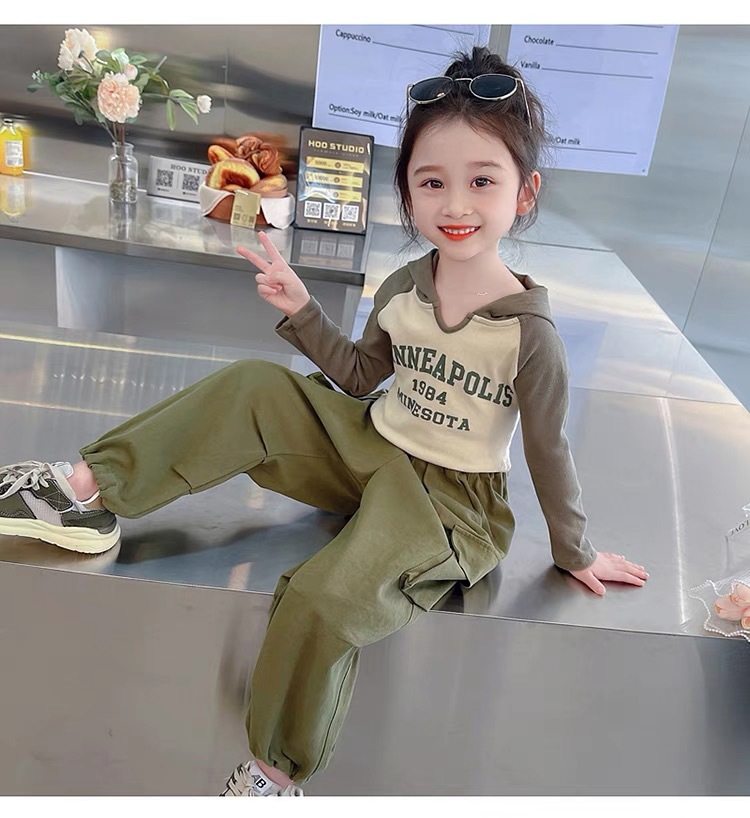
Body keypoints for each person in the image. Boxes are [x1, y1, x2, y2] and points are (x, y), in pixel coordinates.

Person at [0, 46, 649, 797]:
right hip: (369, 445)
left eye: (482, 181)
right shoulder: (405, 287)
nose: (455, 205)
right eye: (431, 182)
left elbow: (547, 449)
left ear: (524, 192)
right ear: (406, 193)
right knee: (254, 385)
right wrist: (304, 311)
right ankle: (80, 493)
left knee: (324, 597)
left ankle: (273, 778)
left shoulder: (530, 334)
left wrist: (575, 550)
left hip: (451, 503)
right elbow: (363, 376)